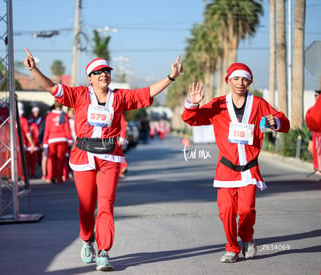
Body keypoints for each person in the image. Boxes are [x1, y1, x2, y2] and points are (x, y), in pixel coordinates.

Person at [24, 48, 182, 271]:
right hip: (83, 157)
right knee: (86, 207)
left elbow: (146, 92)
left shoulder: (119, 97)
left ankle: (104, 251)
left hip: (109, 157)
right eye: (98, 72)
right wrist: (34, 70)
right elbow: (52, 87)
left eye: (107, 71)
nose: (103, 75)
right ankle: (88, 239)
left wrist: (171, 77)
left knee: (106, 205)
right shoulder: (79, 95)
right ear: (90, 78)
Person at [181, 63, 290, 263]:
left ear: (250, 81)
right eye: (236, 79)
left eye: (244, 79)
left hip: (249, 169)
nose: (240, 83)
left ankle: (247, 237)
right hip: (226, 169)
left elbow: (283, 121)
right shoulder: (218, 104)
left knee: (246, 210)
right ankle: (232, 248)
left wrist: (277, 122)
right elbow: (191, 119)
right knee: (226, 211)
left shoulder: (258, 104)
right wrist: (193, 104)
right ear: (229, 81)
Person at [42, 101, 73, 183]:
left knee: (51, 159)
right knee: (60, 160)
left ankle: (50, 176)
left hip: (52, 140)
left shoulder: (49, 116)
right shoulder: (64, 115)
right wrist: (69, 139)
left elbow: (47, 130)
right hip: (63, 140)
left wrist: (45, 142)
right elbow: (67, 128)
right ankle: (59, 178)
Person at [305, 90, 321, 176]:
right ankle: (318, 167)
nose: (315, 97)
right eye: (314, 95)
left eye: (316, 95)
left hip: (318, 133)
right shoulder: (314, 107)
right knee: (311, 148)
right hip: (314, 133)